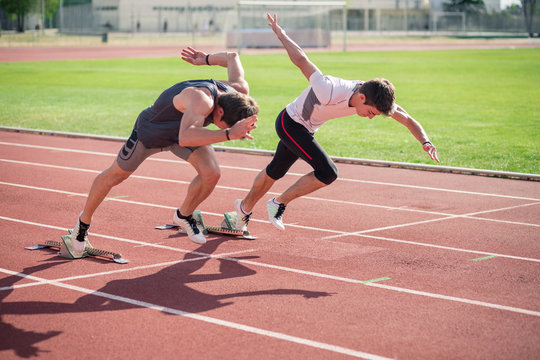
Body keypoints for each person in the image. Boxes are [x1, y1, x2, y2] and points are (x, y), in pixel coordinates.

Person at [233, 14, 439, 232]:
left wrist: (425, 142)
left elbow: (407, 120)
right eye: (371, 112)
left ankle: (242, 210)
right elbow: (301, 60)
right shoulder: (330, 89)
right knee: (328, 172)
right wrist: (280, 33)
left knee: (276, 170)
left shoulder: (377, 98)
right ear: (361, 98)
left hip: (306, 128)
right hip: (290, 122)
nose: (371, 117)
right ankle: (278, 203)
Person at [66, 47, 259, 257]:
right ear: (220, 111)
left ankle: (183, 215)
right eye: (223, 125)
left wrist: (206, 59)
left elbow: (232, 57)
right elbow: (187, 137)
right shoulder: (202, 100)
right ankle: (82, 224)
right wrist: (229, 134)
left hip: (182, 133)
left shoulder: (238, 91)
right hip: (152, 132)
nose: (221, 128)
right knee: (114, 176)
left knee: (212, 173)